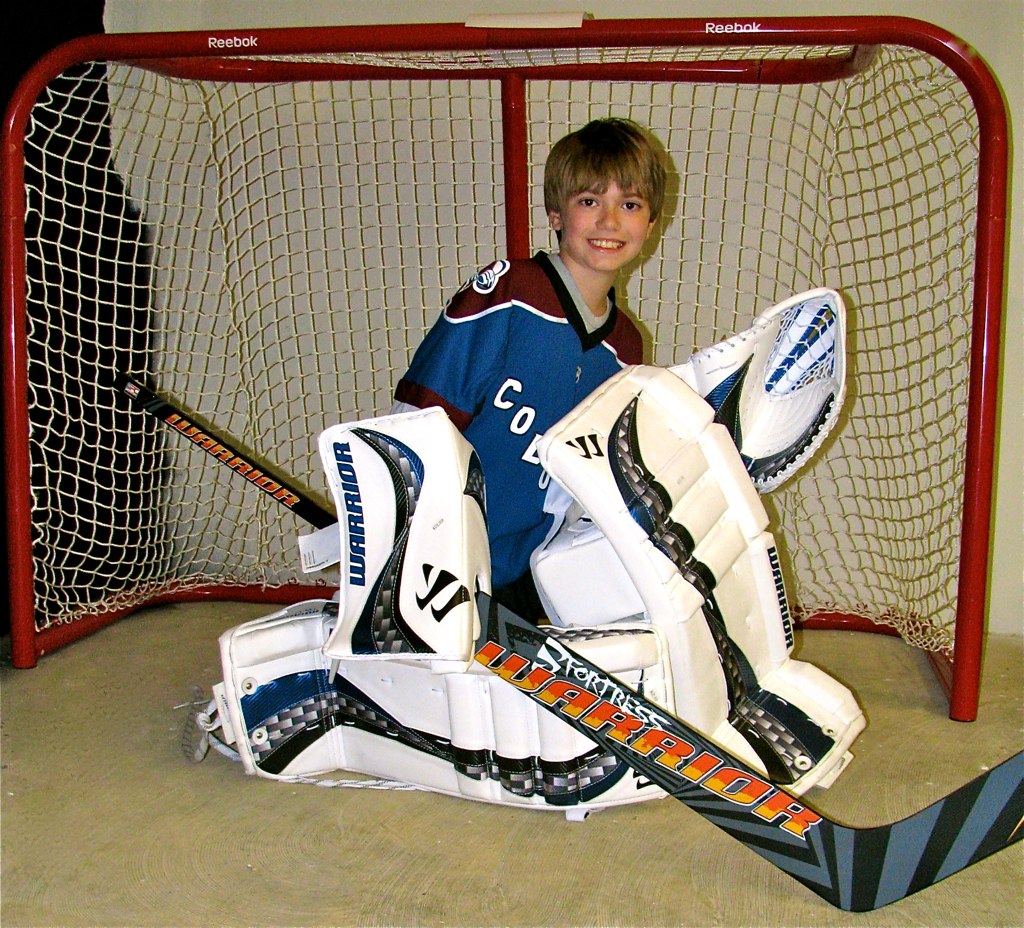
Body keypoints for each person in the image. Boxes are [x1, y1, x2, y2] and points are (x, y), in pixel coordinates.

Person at [393, 117, 667, 619]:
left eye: (629, 205)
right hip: (441, 552)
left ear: (650, 226)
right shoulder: (510, 293)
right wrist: (405, 530)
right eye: (589, 201)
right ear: (556, 214)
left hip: (531, 566)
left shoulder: (627, 347)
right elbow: (418, 413)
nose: (609, 221)